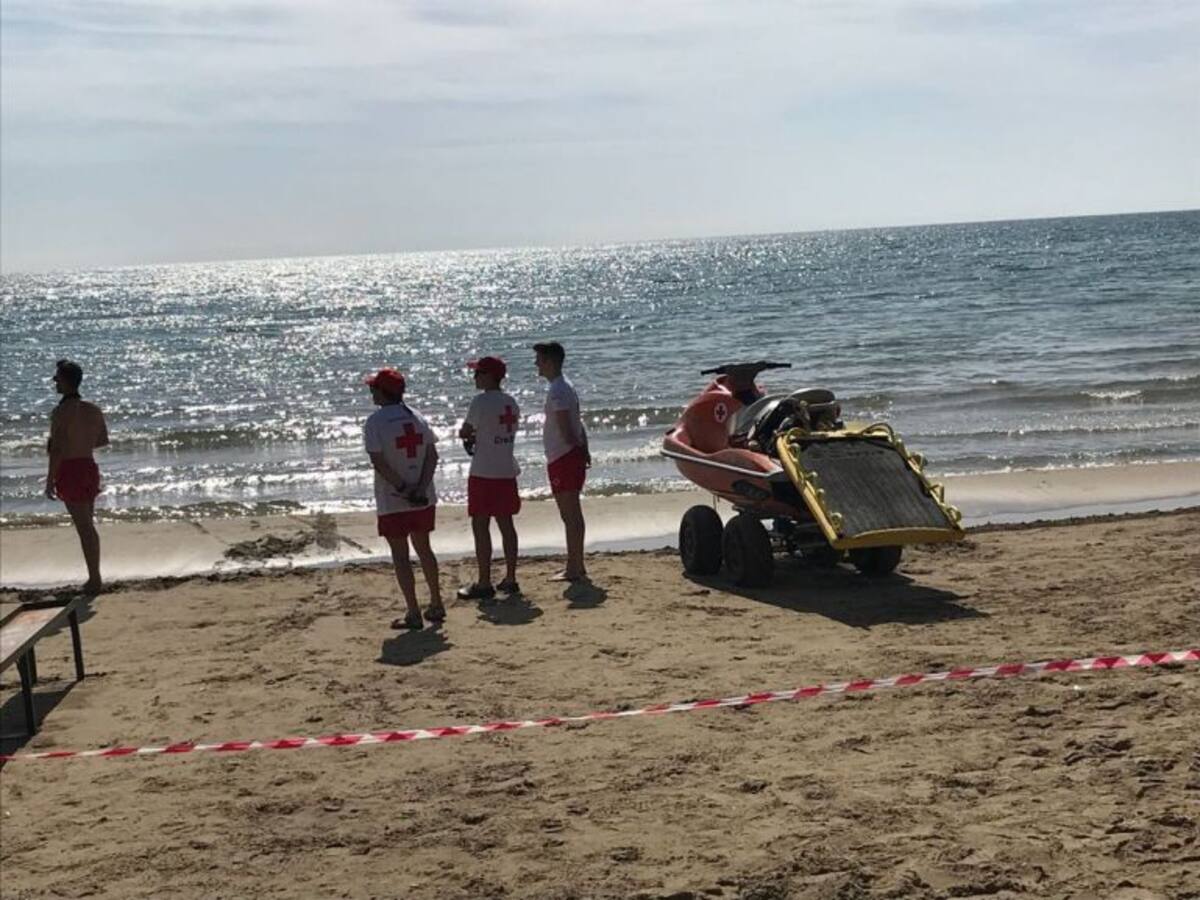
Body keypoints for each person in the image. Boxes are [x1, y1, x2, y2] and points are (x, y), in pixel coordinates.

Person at [362, 367, 445, 630]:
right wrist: (419, 488)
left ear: (382, 392)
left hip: (393, 498)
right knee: (424, 549)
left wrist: (403, 487)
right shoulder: (417, 417)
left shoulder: (375, 422)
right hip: (422, 496)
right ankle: (436, 602)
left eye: (373, 388)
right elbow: (432, 456)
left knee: (401, 556)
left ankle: (413, 612)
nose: (371, 392)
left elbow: (379, 462)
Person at [456, 356, 522, 600]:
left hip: (484, 470)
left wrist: (467, 436)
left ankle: (484, 582)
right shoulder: (511, 402)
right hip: (506, 469)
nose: (474, 377)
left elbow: (466, 430)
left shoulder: (480, 401)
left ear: (489, 376)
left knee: (480, 525)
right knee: (506, 525)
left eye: (478, 373)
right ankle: (511, 577)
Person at [45, 359, 109, 593]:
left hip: (70, 469)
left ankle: (95, 578)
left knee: (85, 528)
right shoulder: (93, 409)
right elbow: (101, 440)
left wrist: (50, 479)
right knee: (87, 524)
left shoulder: (61, 412)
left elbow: (57, 450)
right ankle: (94, 576)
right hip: (88, 466)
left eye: (57, 378)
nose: (54, 381)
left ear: (66, 381)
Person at [532, 341, 589, 582]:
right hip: (567, 455)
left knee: (570, 515)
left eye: (540, 359)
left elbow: (566, 424)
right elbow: (579, 422)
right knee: (572, 514)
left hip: (563, 456)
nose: (536, 364)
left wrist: (576, 447)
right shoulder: (565, 386)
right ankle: (576, 564)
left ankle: (574, 567)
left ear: (550, 362)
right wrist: (583, 447)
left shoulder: (558, 389)